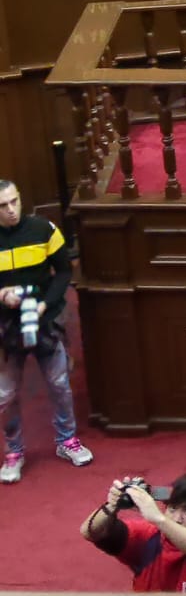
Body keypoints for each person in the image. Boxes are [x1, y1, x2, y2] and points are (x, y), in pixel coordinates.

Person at [0, 178, 92, 482]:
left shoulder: (44, 229)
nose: (11, 210)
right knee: (6, 394)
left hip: (43, 319)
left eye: (15, 201)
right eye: (3, 205)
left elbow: (64, 270)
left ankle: (67, 440)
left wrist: (43, 305)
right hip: (6, 326)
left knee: (59, 382)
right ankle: (13, 452)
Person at [82, 472, 186, 590]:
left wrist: (160, 519)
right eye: (172, 508)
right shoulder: (149, 535)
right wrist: (113, 505)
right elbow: (91, 532)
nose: (177, 518)